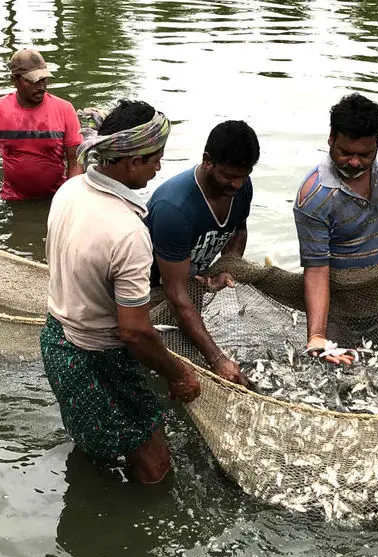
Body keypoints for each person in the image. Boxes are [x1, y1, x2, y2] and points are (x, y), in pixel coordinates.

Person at [39, 99, 201, 485]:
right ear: (130, 162)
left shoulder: (71, 189)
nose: (159, 167)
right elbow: (134, 332)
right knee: (155, 468)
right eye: (154, 159)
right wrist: (178, 374)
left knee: (100, 440)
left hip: (56, 339)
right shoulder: (127, 232)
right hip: (94, 357)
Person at [293, 93, 378, 365]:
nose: (354, 162)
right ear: (331, 138)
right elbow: (317, 269)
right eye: (345, 152)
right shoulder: (314, 197)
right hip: (340, 311)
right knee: (340, 376)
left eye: (364, 154)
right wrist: (317, 334)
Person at [144, 120, 260, 385]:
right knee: (167, 371)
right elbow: (175, 294)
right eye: (229, 176)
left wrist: (226, 269)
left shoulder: (242, 187)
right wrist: (217, 359)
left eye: (244, 175)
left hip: (188, 284)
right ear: (208, 161)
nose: (237, 185)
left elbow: (238, 230)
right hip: (150, 295)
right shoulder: (174, 208)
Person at [0, 48, 84, 201]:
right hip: (12, 200)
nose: (41, 86)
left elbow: (76, 160)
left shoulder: (64, 109)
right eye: (33, 81)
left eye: (44, 79)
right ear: (14, 80)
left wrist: (69, 201)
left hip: (55, 198)